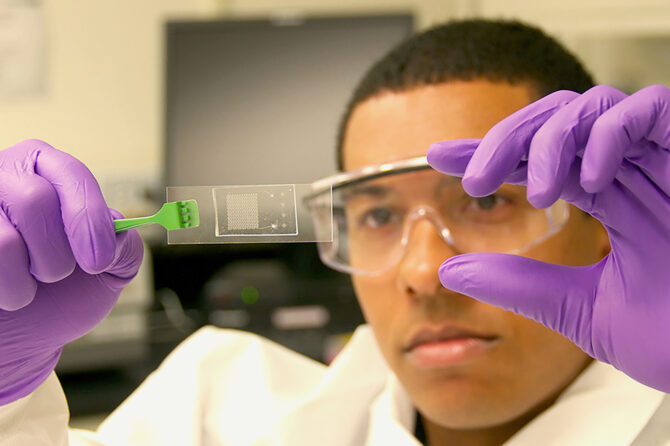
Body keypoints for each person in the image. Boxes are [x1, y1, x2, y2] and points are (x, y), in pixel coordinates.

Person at [0, 18, 669, 446]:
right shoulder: (224, 413)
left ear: (607, 221)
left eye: (488, 200)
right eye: (377, 216)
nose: (421, 275)